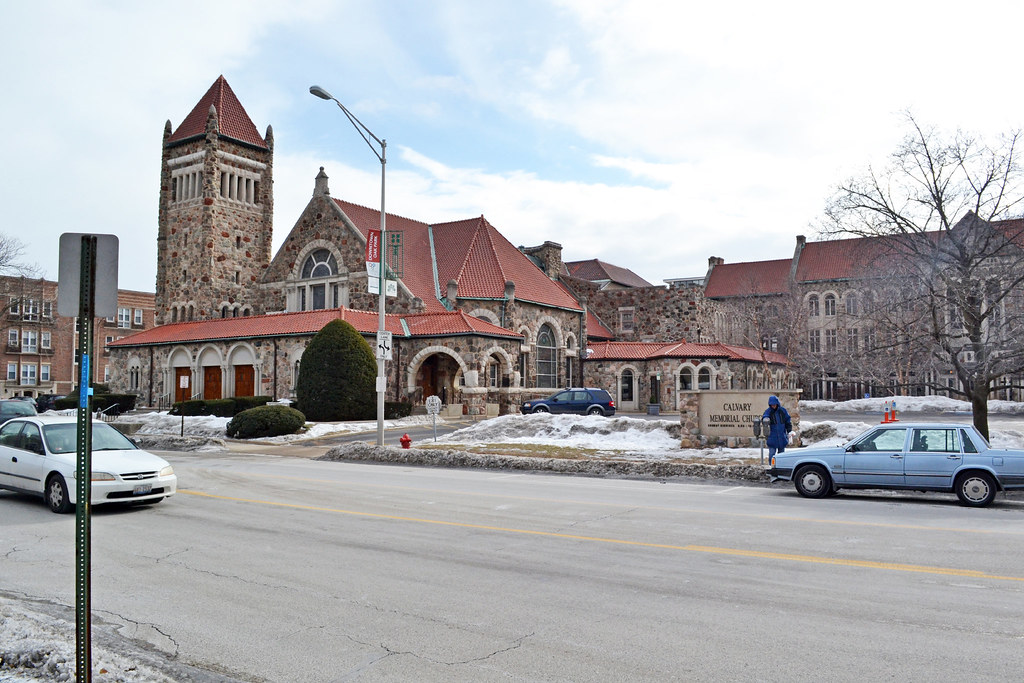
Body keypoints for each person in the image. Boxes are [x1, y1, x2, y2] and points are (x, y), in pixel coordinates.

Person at [762, 395, 792, 461]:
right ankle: (771, 466)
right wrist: (766, 419)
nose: (773, 406)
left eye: (774, 404)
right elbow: (765, 417)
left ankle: (780, 466)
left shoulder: (783, 411)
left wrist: (789, 430)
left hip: (782, 436)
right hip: (772, 437)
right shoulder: (768, 412)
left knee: (782, 455)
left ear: (777, 403)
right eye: (772, 405)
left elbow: (788, 420)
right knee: (772, 453)